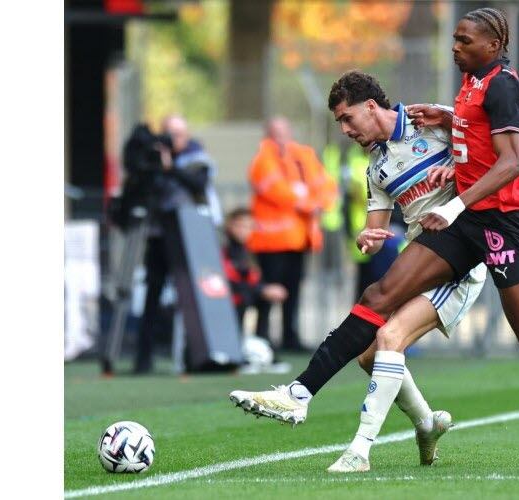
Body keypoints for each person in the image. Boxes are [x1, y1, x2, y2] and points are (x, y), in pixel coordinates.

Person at [229, 7, 519, 461]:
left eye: (463, 40)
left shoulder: (503, 85)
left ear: (493, 46)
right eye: (454, 40)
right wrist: (447, 127)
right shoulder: (468, 89)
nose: (454, 47)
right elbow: (470, 139)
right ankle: (301, 394)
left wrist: (455, 197)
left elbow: (513, 161)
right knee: (379, 297)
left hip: (502, 221)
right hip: (464, 223)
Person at [233, 70, 487, 472]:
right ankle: (426, 424)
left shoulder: (432, 124)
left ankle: (357, 448)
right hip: (423, 256)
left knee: (387, 333)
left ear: (371, 107)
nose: (345, 129)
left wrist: (457, 168)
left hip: (458, 260)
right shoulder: (377, 166)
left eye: (347, 118)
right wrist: (370, 236)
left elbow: (488, 147)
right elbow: (378, 225)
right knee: (370, 356)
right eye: (339, 123)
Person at [131, 114, 216, 374]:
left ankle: (196, 356)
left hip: (189, 237)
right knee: (152, 294)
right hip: (159, 235)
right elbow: (140, 187)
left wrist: (171, 168)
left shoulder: (197, 158)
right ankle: (143, 358)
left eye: (178, 134)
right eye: (169, 133)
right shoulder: (153, 158)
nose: (173, 139)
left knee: (194, 296)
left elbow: (197, 183)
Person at [246, 118, 338, 352]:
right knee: (269, 291)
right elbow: (275, 189)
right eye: (276, 132)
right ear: (268, 134)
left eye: (284, 131)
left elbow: (325, 183)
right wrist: (308, 203)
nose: (281, 136)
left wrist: (321, 202)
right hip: (272, 241)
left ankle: (290, 337)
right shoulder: (263, 159)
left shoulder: (303, 155)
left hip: (300, 238)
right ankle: (262, 337)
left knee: (294, 289)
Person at [221, 208, 288, 328]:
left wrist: (265, 289)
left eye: (248, 227)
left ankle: (261, 338)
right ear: (229, 226)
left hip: (246, 295)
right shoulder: (223, 251)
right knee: (246, 297)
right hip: (228, 299)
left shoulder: (250, 253)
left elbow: (255, 278)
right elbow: (227, 282)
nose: (243, 231)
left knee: (265, 298)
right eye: (239, 225)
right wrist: (261, 290)